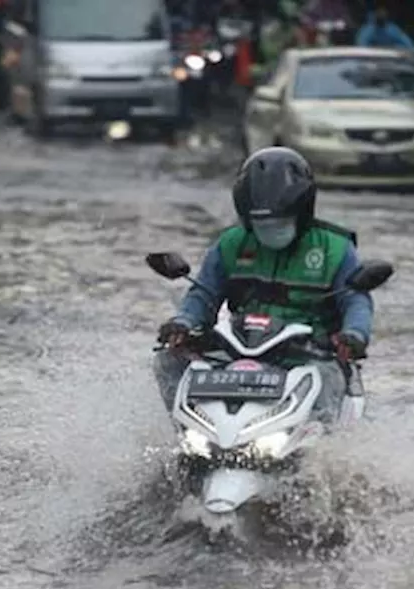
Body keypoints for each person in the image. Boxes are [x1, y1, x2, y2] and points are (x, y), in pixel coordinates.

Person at [154, 147, 373, 423]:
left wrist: (354, 334)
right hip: (242, 348)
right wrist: (183, 322)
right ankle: (187, 429)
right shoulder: (230, 244)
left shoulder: (336, 249)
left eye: (280, 222)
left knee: (328, 380)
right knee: (167, 361)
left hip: (309, 354)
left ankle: (319, 452)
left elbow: (356, 300)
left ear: (302, 211)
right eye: (262, 224)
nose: (271, 230)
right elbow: (203, 294)